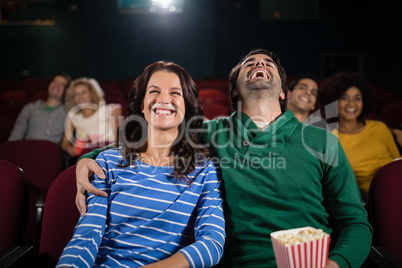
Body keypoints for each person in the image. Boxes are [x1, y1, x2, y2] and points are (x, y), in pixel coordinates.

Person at [75, 49, 372, 268]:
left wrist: (335, 265)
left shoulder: (321, 141)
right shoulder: (210, 133)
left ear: (283, 91)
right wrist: (89, 157)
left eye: (268, 63)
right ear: (233, 90)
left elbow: (356, 223)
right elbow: (150, 138)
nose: (259, 64)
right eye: (249, 63)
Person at [57, 61, 225, 268]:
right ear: (142, 106)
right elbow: (86, 237)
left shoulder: (203, 170)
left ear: (187, 108)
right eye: (154, 91)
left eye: (175, 93)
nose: (163, 99)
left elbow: (212, 243)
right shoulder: (108, 162)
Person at [319, 71, 401, 200]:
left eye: (357, 98)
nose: (351, 104)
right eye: (344, 98)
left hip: (395, 191)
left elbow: (398, 164)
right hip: (360, 201)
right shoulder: (330, 139)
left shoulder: (380, 128)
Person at [61, 77, 122, 160]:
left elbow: (118, 140)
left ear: (92, 93)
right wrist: (69, 148)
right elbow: (65, 142)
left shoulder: (108, 110)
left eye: (84, 92)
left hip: (109, 154)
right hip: (85, 157)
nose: (80, 97)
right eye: (76, 94)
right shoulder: (72, 115)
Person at [8, 72, 71, 145]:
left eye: (62, 84)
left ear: (67, 91)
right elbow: (15, 137)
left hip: (53, 153)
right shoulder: (30, 108)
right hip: (30, 151)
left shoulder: (68, 111)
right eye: (54, 82)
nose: (56, 85)